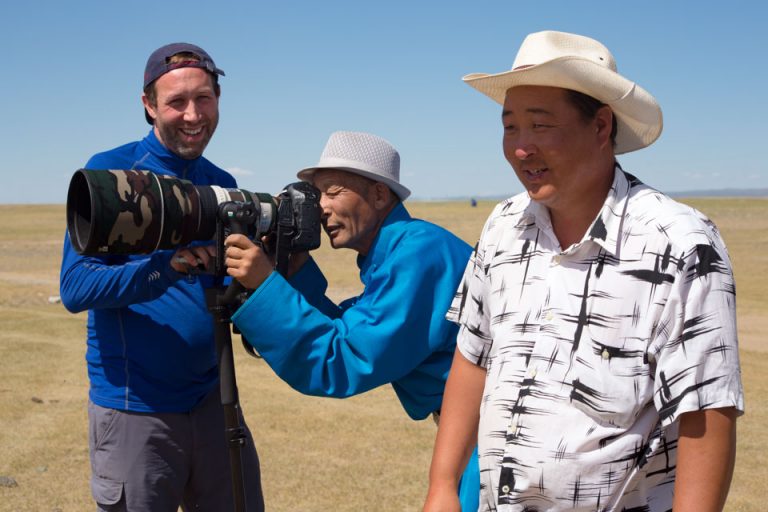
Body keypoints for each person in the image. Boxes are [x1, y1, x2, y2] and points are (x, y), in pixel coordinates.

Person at [423, 30, 744, 512]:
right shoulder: (503, 227)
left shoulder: (680, 244)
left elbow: (707, 409)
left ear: (600, 126)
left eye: (540, 125)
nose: (521, 148)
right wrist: (443, 486)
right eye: (510, 127)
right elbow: (474, 356)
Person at [224, 130, 480, 510]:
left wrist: (264, 285)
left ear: (379, 194)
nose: (322, 208)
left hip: (487, 440)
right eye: (317, 196)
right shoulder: (399, 251)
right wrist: (293, 269)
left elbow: (344, 357)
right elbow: (351, 329)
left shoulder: (419, 254)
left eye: (333, 192)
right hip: (471, 436)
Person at [60, 43, 264, 511]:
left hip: (214, 402)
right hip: (136, 411)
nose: (193, 115)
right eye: (177, 102)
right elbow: (75, 287)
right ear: (149, 105)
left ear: (218, 99)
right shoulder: (111, 176)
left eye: (204, 98)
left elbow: (225, 291)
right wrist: (165, 267)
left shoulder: (222, 184)